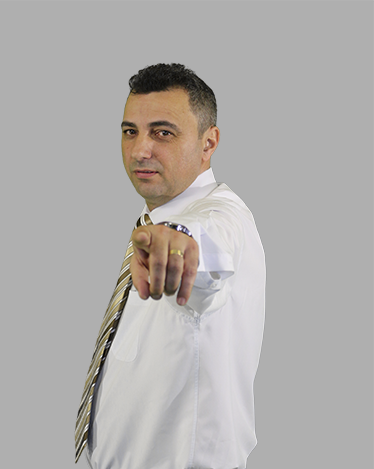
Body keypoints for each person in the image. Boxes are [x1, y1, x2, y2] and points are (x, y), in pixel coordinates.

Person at [75, 63, 266, 469]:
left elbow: (209, 253)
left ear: (208, 143)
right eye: (131, 131)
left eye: (163, 133)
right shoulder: (152, 224)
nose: (140, 150)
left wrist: (181, 242)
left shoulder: (222, 217)